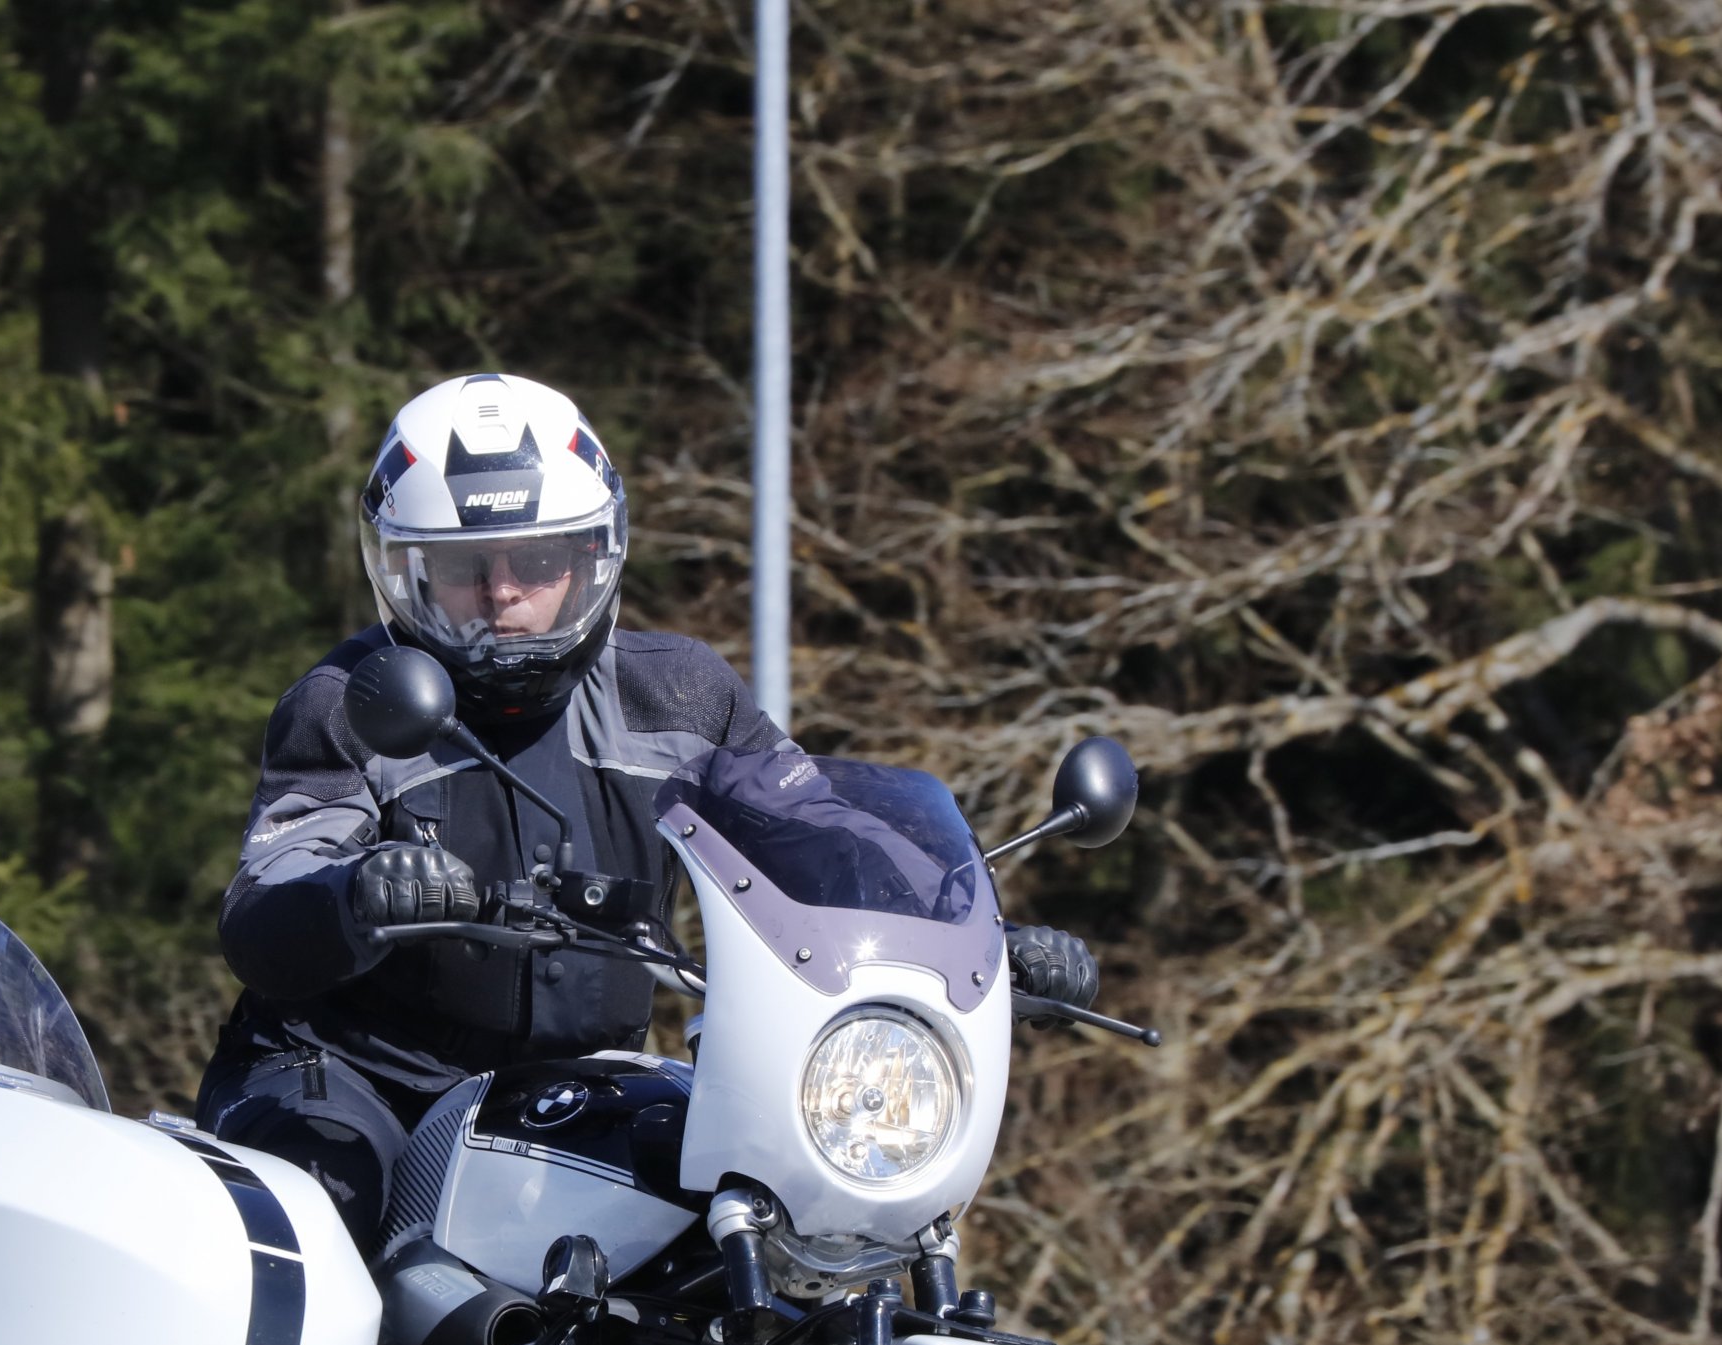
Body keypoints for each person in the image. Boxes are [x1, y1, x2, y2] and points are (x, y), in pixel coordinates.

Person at [194, 371, 1096, 1248]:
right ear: (405, 574)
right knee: (311, 1232)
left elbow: (827, 831)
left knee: (743, 1238)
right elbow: (267, 898)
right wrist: (354, 894)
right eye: (466, 568)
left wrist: (968, 936)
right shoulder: (350, 700)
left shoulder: (681, 698)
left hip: (581, 1081)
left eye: (537, 560)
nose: (504, 594)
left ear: (592, 556)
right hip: (360, 1081)